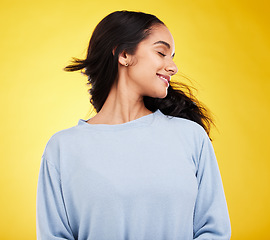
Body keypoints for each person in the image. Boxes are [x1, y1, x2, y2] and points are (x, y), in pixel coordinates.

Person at [36, 10, 231, 240]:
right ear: (124, 54)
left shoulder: (191, 137)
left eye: (172, 56)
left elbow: (214, 231)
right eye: (161, 52)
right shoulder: (62, 149)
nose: (173, 67)